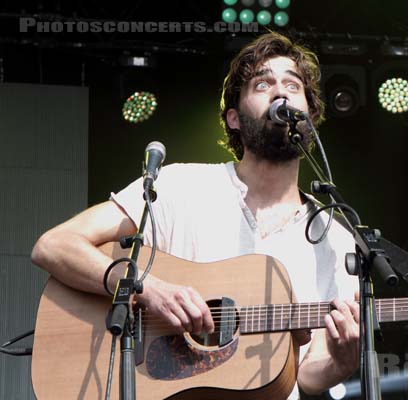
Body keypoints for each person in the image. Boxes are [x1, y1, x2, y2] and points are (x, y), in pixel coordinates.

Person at [31, 32, 360, 398]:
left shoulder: (337, 241)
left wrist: (339, 364)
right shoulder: (180, 186)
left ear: (311, 115)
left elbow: (306, 375)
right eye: (263, 83)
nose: (279, 92)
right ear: (234, 118)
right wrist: (148, 288)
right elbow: (53, 245)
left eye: (292, 84)